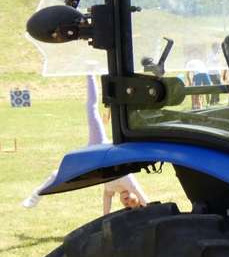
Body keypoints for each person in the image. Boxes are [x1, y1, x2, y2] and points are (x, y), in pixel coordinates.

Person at [23, 75, 148, 213]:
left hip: (91, 163)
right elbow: (144, 200)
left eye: (126, 205)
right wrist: (148, 210)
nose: (127, 201)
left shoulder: (111, 189)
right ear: (135, 196)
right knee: (91, 110)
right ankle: (90, 73)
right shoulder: (128, 182)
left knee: (57, 175)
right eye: (132, 201)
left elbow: (107, 199)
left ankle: (36, 194)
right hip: (101, 147)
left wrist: (104, 219)